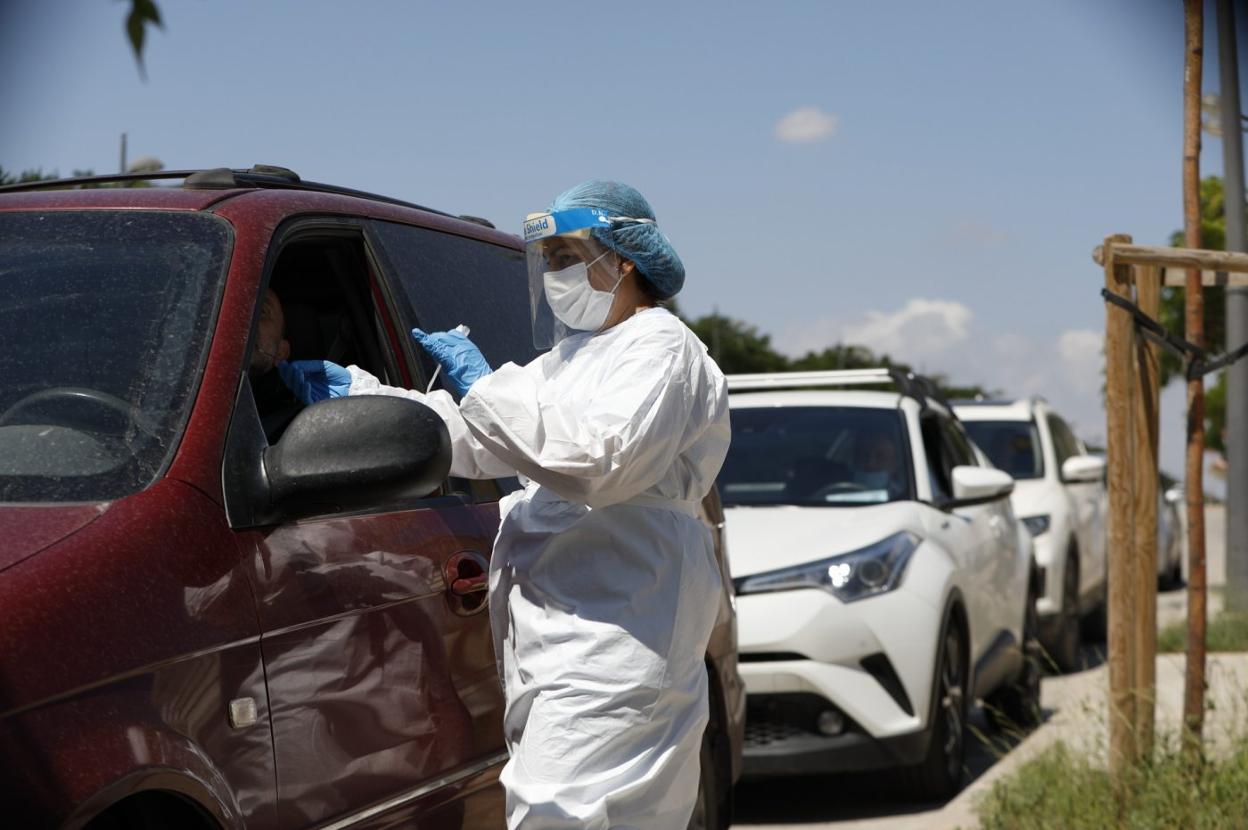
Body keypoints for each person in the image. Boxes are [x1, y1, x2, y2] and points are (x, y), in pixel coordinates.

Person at [280, 180, 731, 829]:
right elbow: (483, 439)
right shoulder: (572, 358)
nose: (554, 275)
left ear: (623, 258)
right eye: (546, 261)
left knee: (561, 816)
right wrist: (365, 397)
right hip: (578, 631)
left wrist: (484, 383)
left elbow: (595, 462)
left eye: (566, 257)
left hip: (618, 629)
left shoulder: (661, 348)